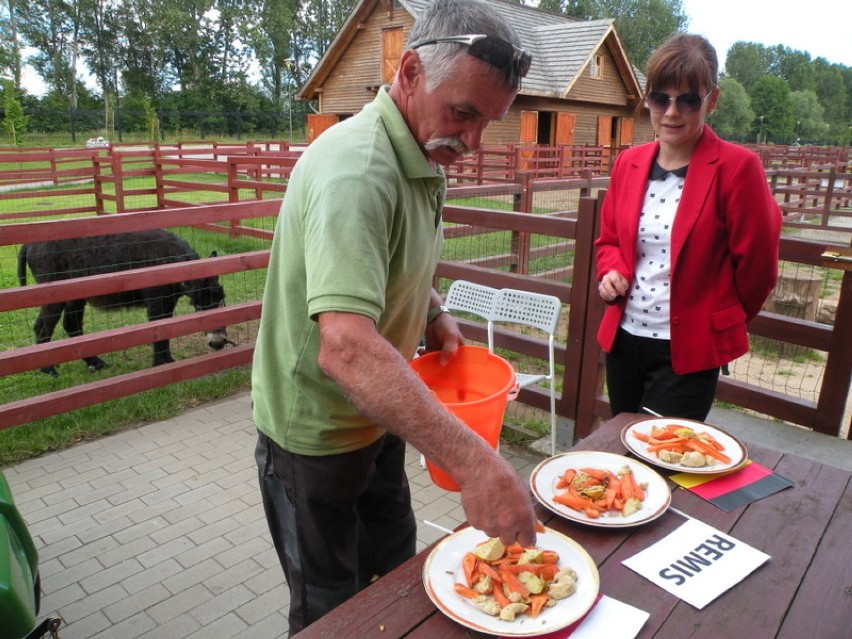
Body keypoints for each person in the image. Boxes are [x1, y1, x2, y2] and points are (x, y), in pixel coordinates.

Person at [250, 0, 538, 634]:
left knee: (397, 573)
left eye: (488, 122)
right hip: (314, 438)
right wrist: (476, 463)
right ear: (409, 72)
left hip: (375, 419)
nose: (472, 141)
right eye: (463, 113)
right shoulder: (358, 171)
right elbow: (347, 348)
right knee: (332, 607)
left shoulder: (419, 152)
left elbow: (390, 261)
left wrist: (433, 311)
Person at [595, 33, 781, 421]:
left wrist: (716, 319)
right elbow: (609, 240)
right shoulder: (628, 164)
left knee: (667, 458)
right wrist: (611, 271)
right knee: (624, 449)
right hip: (625, 341)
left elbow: (758, 268)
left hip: (688, 352)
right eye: (660, 98)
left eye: (688, 100)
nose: (671, 112)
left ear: (711, 100)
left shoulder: (737, 168)